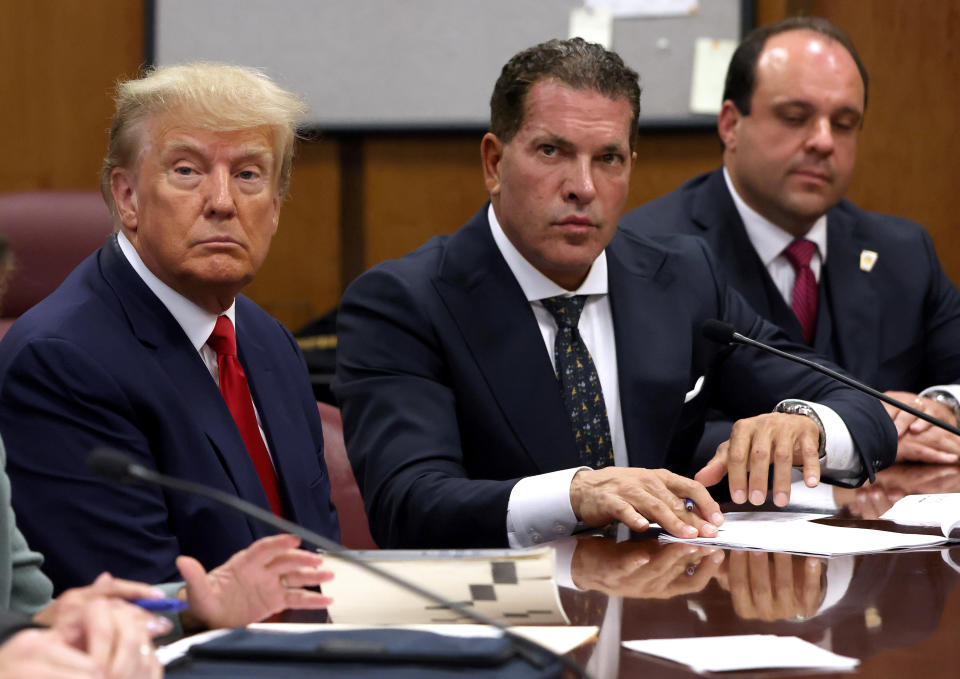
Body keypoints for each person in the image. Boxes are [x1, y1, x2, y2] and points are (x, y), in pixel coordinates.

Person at [333, 38, 897, 550]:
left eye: (608, 159)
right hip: (512, 623)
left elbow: (865, 407)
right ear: (494, 162)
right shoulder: (405, 303)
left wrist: (807, 424)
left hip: (672, 612)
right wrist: (574, 494)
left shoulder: (682, 277)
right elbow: (407, 504)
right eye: (552, 151)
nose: (583, 186)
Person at [0, 63, 339, 592]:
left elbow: (319, 557)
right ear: (127, 197)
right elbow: (131, 598)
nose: (223, 202)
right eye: (187, 170)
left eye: (248, 175)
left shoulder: (268, 340)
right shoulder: (60, 361)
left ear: (274, 210)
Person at [620, 17, 960, 467]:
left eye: (844, 123)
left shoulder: (902, 251)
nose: (822, 141)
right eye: (795, 118)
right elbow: (652, 430)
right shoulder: (650, 253)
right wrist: (840, 438)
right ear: (729, 124)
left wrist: (937, 410)